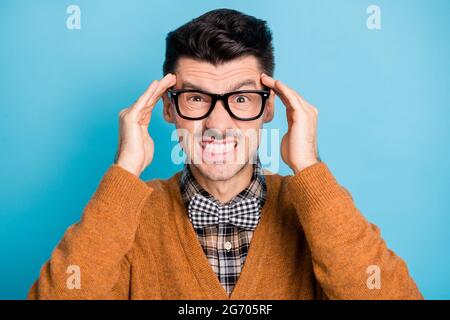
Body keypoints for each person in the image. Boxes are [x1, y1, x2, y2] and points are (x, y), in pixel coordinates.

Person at [28, 8, 422, 300]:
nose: (218, 124)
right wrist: (125, 171)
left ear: (270, 108)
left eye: (242, 98)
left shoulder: (315, 213)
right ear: (168, 108)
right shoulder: (129, 216)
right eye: (196, 98)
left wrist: (309, 167)